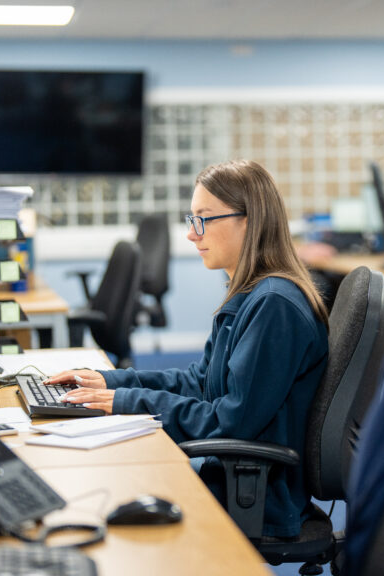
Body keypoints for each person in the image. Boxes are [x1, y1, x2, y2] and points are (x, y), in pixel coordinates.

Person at [45, 159, 330, 539]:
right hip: (233, 475)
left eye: (203, 219)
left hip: (255, 494)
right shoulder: (249, 295)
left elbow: (230, 422)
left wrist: (125, 401)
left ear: (249, 219)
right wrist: (108, 381)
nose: (192, 235)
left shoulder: (275, 306)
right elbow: (199, 381)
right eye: (190, 220)